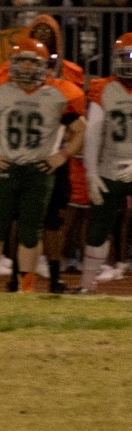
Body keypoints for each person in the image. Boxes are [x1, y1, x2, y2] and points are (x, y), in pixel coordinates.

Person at [0, 38, 86, 293]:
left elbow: (80, 129)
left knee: (31, 231)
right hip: (8, 168)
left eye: (31, 61)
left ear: (44, 65)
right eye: (20, 60)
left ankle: (26, 286)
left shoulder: (58, 94)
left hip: (38, 172)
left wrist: (61, 156)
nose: (24, 67)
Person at [75, 33, 132, 294]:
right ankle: (88, 285)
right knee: (99, 227)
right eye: (126, 56)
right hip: (110, 166)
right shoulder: (104, 87)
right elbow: (93, 133)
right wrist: (92, 172)